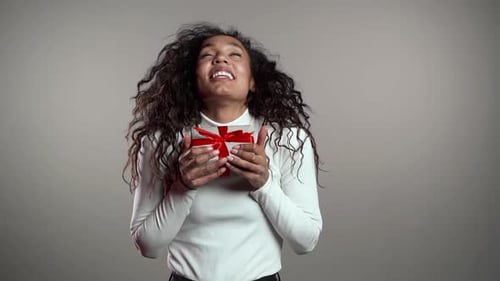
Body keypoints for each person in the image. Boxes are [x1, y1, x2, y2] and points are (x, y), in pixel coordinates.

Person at [123, 22, 323, 281]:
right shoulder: (161, 141)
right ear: (192, 78)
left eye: (234, 54)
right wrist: (182, 186)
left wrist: (265, 185)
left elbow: (306, 241)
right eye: (207, 55)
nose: (220, 58)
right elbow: (147, 246)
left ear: (252, 81)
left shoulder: (288, 139)